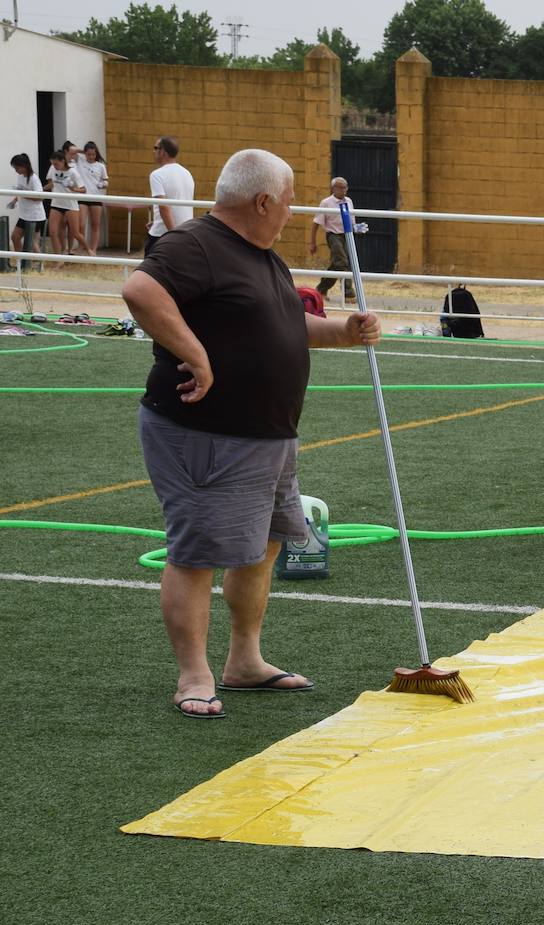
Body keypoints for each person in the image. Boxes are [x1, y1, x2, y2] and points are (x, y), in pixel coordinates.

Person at [121, 148, 382, 719]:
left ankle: (244, 661)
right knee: (196, 552)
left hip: (267, 436)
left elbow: (284, 324)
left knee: (262, 547)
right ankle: (194, 675)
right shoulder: (196, 243)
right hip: (205, 433)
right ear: (263, 201)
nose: (291, 212)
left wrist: (343, 330)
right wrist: (196, 354)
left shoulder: (263, 257)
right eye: (288, 202)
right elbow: (140, 291)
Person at [146, 135, 195, 257]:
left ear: (163, 151)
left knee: (150, 267)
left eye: (156, 148)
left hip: (163, 235)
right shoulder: (187, 173)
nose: (153, 151)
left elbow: (164, 207)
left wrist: (173, 235)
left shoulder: (157, 175)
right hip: (185, 232)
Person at [309, 176, 355, 303]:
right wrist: (313, 243)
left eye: (345, 187)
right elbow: (316, 223)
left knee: (338, 264)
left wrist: (357, 228)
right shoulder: (326, 203)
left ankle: (321, 289)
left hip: (347, 234)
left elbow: (351, 220)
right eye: (340, 187)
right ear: (333, 188)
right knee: (342, 261)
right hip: (333, 235)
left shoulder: (349, 201)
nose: (343, 190)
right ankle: (348, 293)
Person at [44, 150, 91, 257]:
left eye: (56, 164)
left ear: (63, 161)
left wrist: (74, 189)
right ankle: (58, 257)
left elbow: (83, 189)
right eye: (53, 164)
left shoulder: (73, 172)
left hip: (70, 204)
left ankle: (89, 250)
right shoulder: (53, 169)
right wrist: (40, 190)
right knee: (52, 232)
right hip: (56, 203)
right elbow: (52, 184)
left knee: (75, 233)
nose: (54, 166)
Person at [6, 154, 47, 271]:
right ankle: (22, 262)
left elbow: (40, 197)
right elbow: (19, 191)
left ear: (24, 166)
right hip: (24, 215)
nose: (16, 170)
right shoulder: (20, 177)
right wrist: (14, 200)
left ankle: (40, 264)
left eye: (17, 168)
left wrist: (24, 195)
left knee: (32, 242)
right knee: (15, 237)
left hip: (35, 216)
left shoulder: (34, 178)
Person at [76, 141, 109, 252]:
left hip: (96, 197)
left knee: (95, 224)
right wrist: (82, 151)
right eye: (88, 154)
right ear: (85, 154)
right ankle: (82, 246)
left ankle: (93, 249)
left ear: (96, 154)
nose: (91, 157)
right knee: (81, 224)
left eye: (93, 154)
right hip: (83, 197)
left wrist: (102, 184)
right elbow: (72, 150)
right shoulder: (80, 161)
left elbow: (106, 181)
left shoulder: (100, 166)